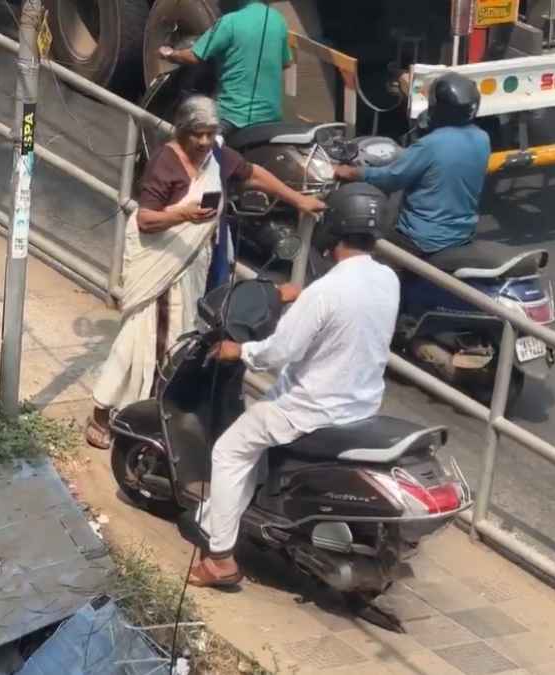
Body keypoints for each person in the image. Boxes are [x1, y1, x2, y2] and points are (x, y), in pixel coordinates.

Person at [188, 182, 399, 588]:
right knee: (251, 442)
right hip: (361, 407)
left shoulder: (326, 291)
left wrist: (239, 351)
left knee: (230, 451)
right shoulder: (388, 279)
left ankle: (219, 560)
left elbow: (277, 353)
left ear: (333, 227)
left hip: (307, 410)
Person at [84, 96, 326, 449]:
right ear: (182, 131)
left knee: (181, 341)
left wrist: (298, 200)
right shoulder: (165, 164)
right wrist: (182, 214)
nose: (203, 141)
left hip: (196, 265)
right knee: (143, 339)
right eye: (197, 134)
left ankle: (154, 415)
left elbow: (253, 174)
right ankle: (103, 414)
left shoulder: (218, 158)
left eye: (210, 133)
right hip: (160, 268)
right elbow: (146, 219)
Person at [333, 73, 490, 257]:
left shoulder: (431, 145)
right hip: (462, 234)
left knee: (365, 247)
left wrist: (353, 172)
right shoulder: (482, 138)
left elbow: (391, 178)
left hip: (422, 238)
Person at [158, 0, 292, 138]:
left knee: (190, 143)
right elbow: (286, 63)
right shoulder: (278, 21)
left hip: (233, 117)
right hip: (271, 116)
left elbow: (193, 56)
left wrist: (169, 53)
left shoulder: (229, 22)